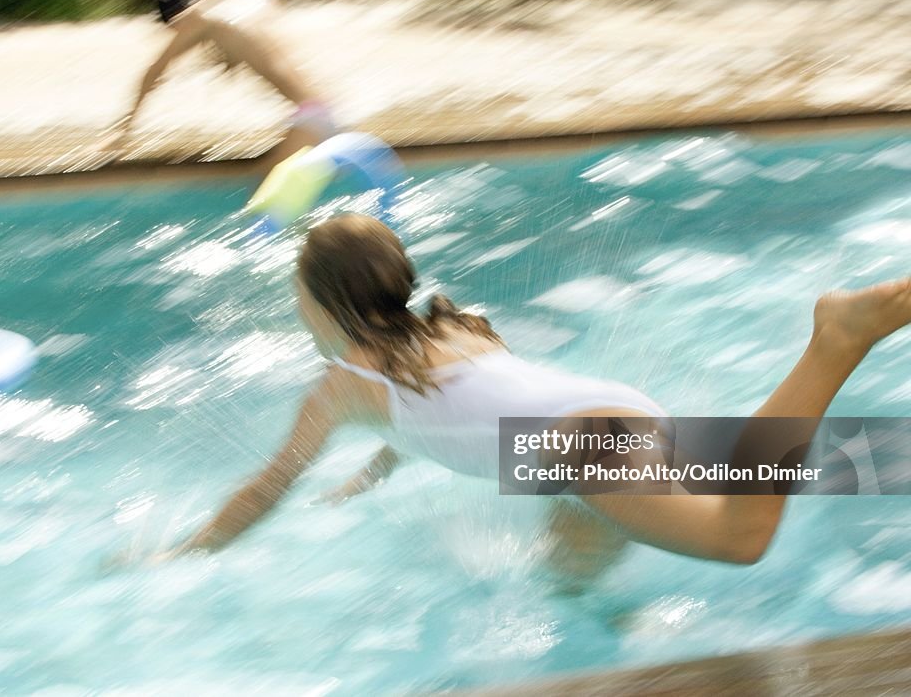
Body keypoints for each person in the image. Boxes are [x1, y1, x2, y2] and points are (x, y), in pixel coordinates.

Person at [135, 214, 911, 576]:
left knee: (739, 538)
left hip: (585, 448)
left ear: (322, 302)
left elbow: (268, 486)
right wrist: (374, 472)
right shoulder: (453, 327)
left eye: (297, 297)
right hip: (596, 424)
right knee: (572, 588)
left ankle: (834, 340)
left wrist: (191, 547)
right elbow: (459, 415)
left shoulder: (342, 385)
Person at [101, 0, 337, 165]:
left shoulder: (199, 17)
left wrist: (122, 131)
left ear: (178, 15)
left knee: (260, 197)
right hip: (326, 107)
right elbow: (253, 44)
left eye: (173, 27)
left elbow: (153, 71)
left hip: (309, 119)